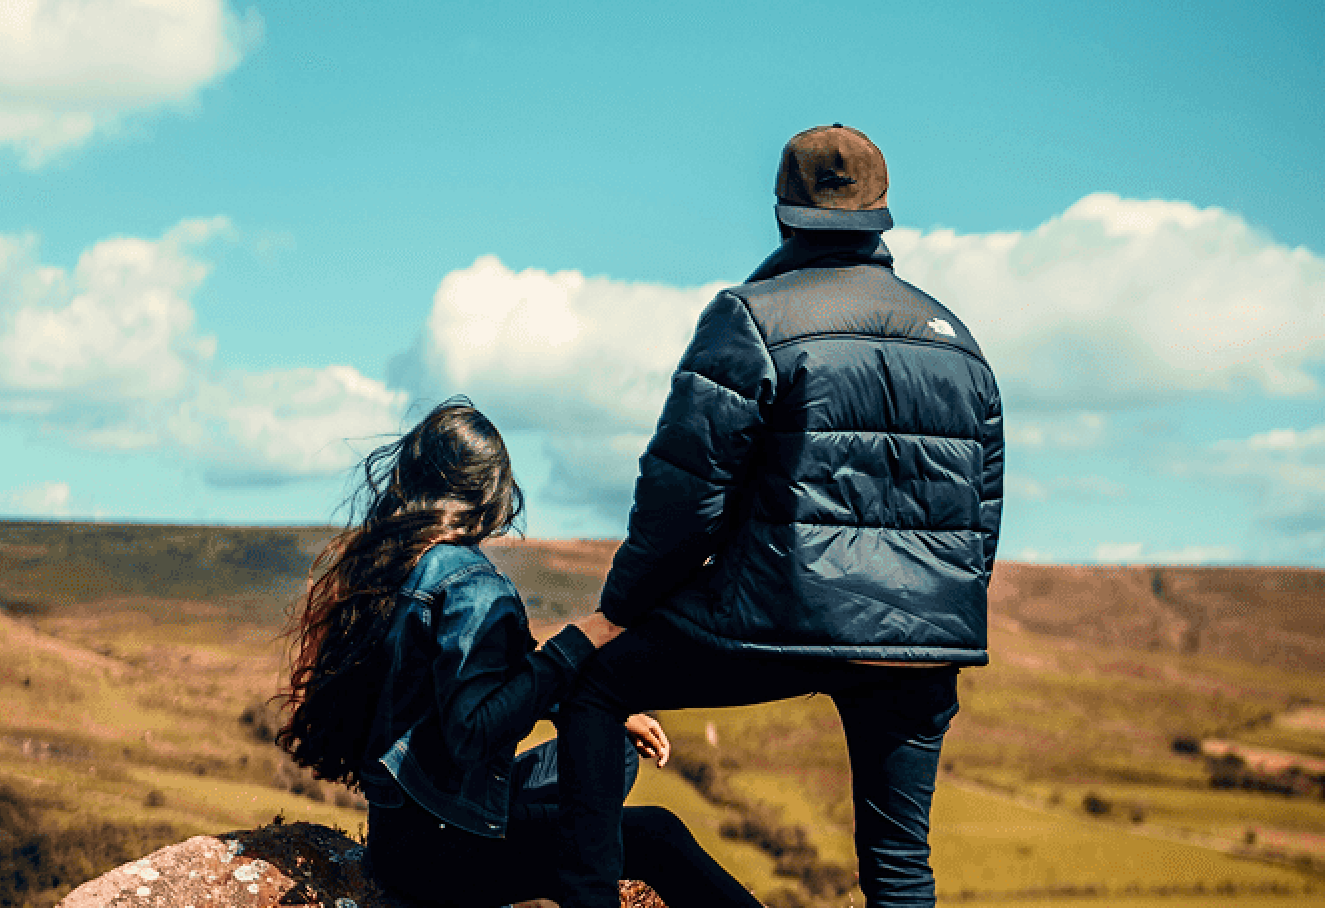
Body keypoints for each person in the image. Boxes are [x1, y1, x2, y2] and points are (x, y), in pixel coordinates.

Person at [554, 124, 1004, 908]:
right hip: (924, 641)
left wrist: (620, 609)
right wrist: (932, 620)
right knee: (900, 863)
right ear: (881, 214)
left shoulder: (750, 316)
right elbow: (981, 518)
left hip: (779, 614)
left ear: (781, 212)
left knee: (593, 684)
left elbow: (683, 494)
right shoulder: (958, 342)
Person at [276, 399, 763, 908]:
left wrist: (600, 707)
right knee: (657, 835)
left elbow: (481, 678)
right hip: (444, 854)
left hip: (399, 836)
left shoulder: (396, 566)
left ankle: (565, 859)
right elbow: (473, 731)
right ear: (491, 492)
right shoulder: (471, 584)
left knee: (608, 747)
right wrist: (583, 638)